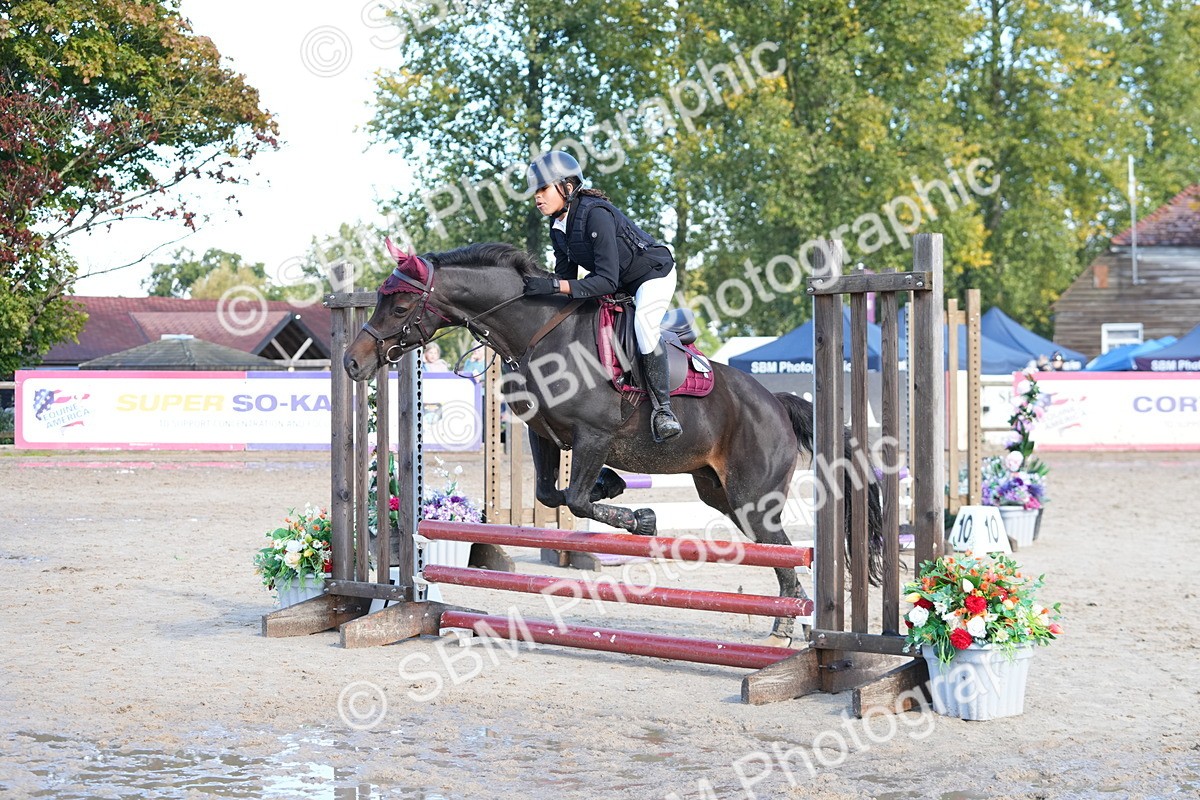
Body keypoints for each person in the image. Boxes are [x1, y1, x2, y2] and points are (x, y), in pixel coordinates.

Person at [522, 150, 682, 442]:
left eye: (543, 189)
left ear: (567, 187)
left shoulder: (595, 214)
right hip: (620, 283)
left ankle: (663, 411)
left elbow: (605, 281)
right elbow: (566, 278)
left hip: (652, 276)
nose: (538, 197)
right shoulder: (558, 227)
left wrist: (555, 287)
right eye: (536, 191)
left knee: (644, 327)